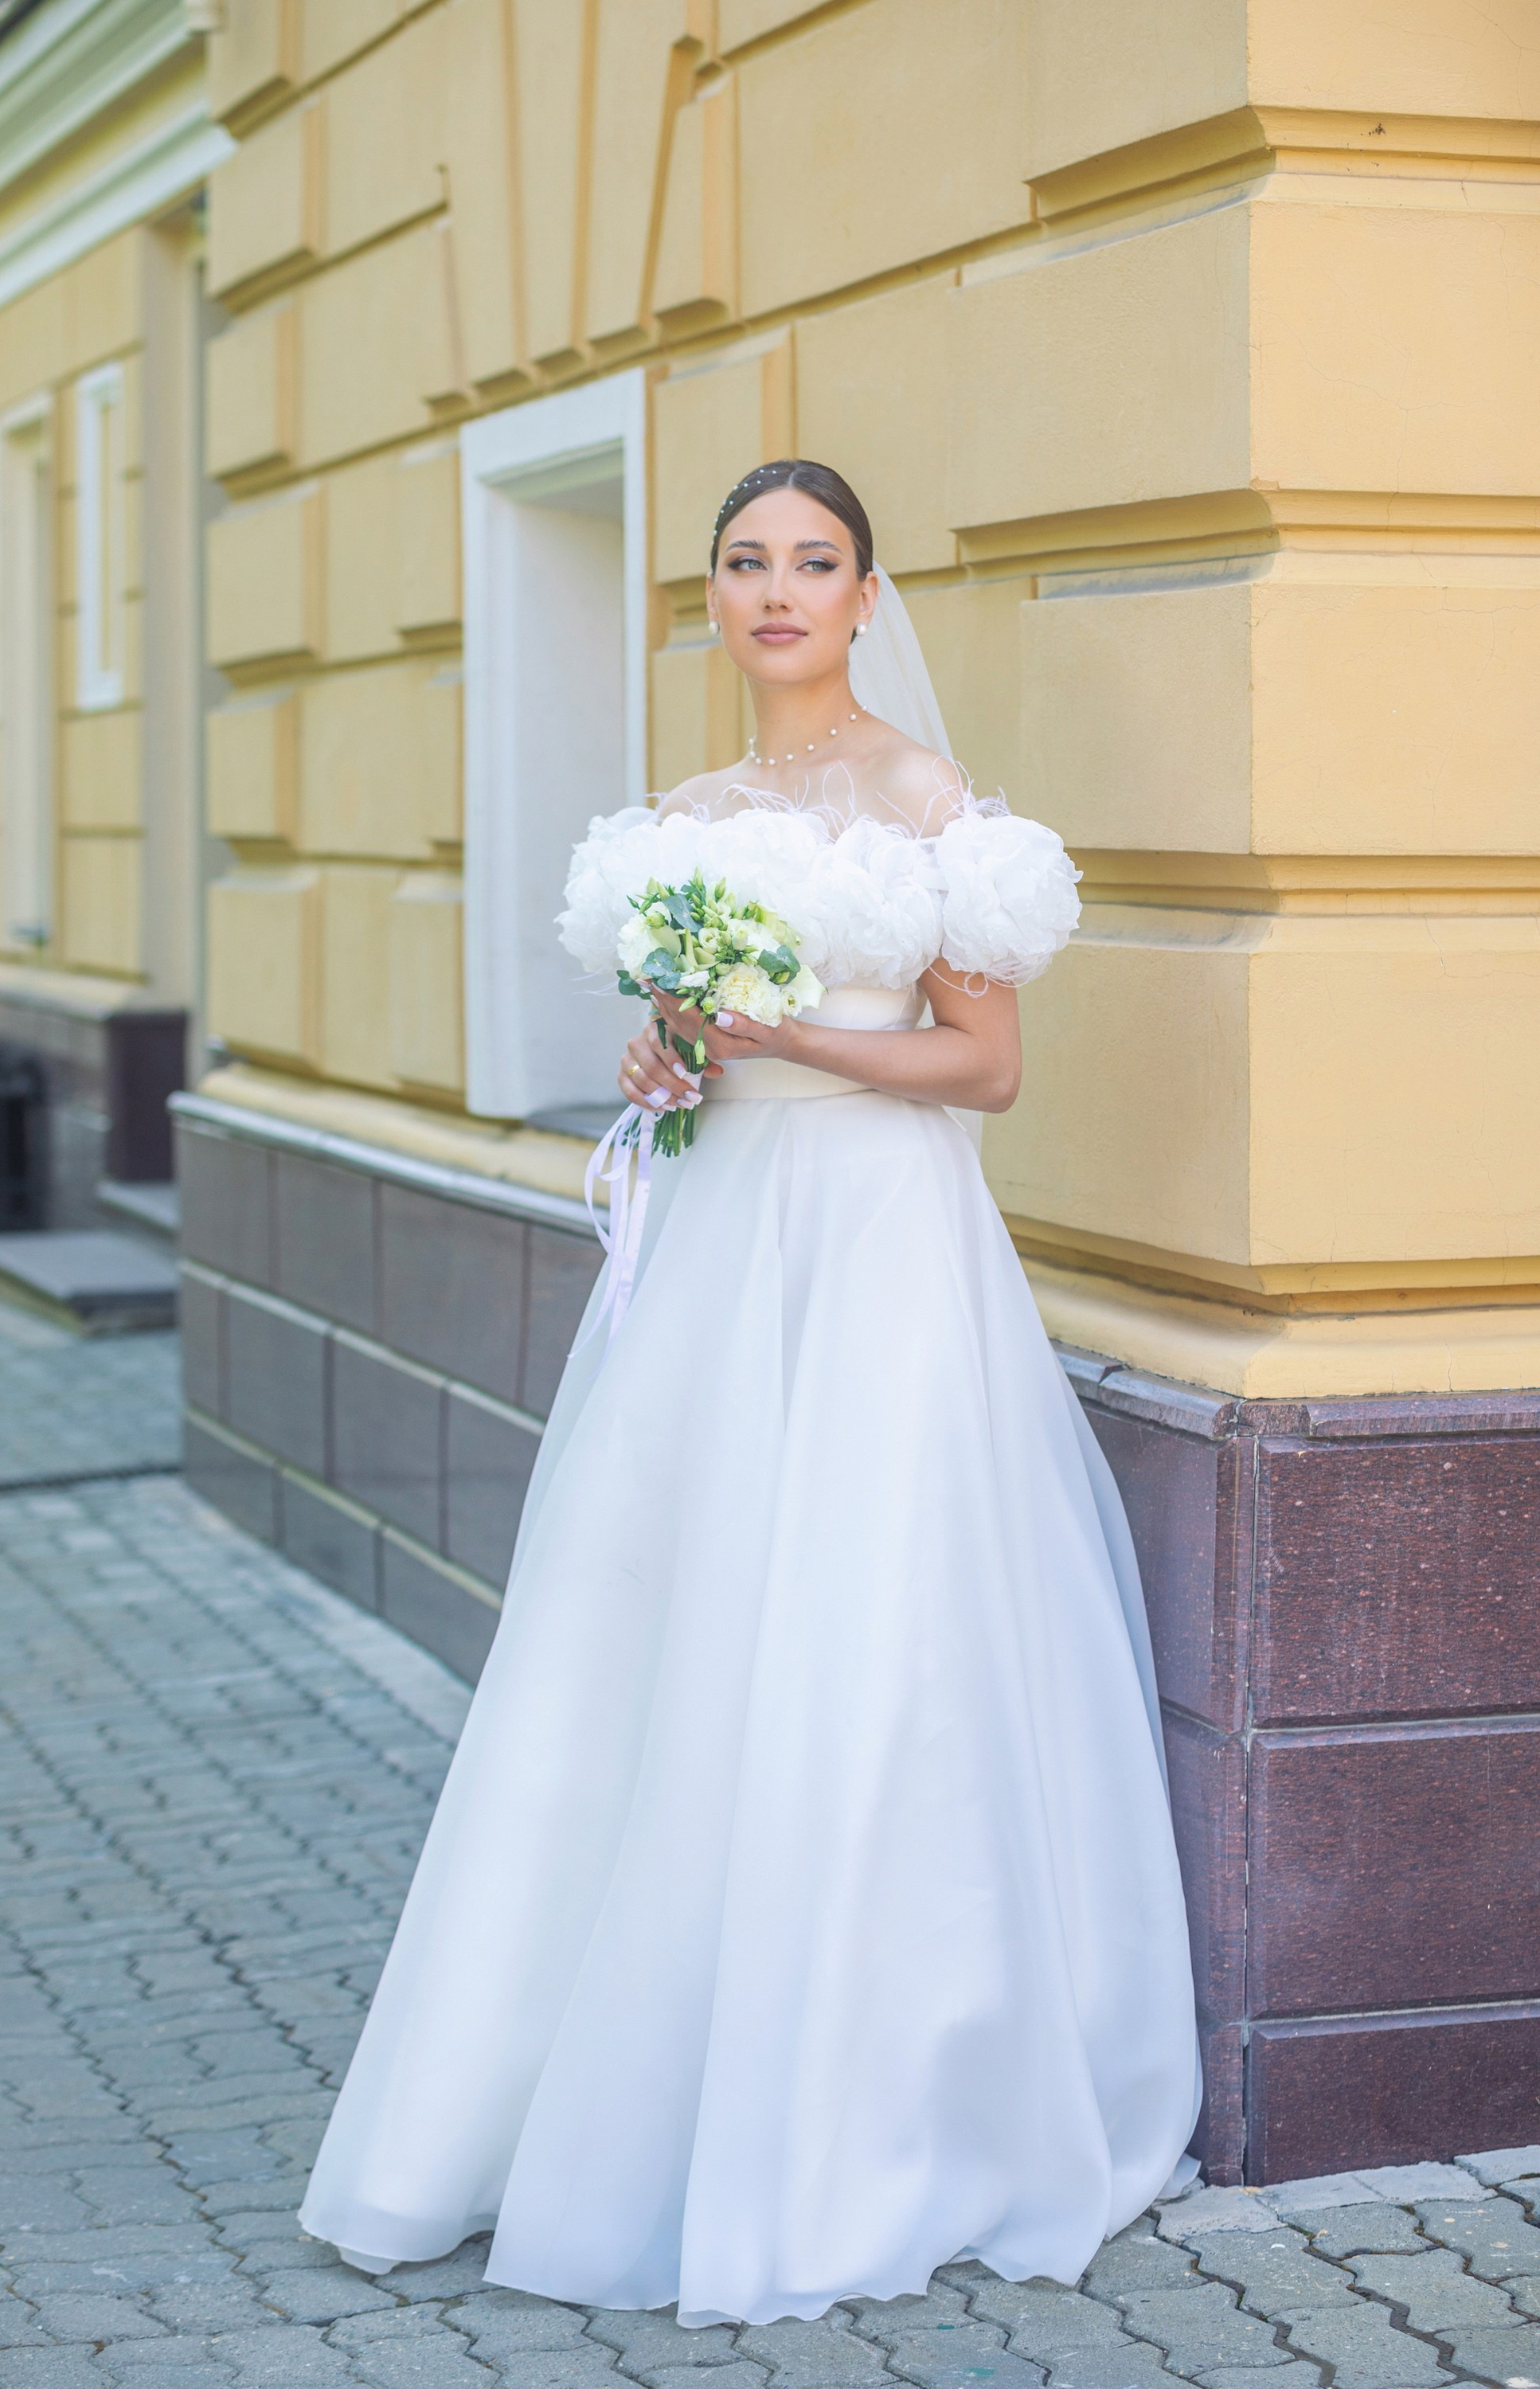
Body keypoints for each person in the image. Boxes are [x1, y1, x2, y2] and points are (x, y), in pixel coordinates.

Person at [298, 458, 1200, 2326]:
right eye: (743, 562)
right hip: (722, 1248)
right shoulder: (685, 820)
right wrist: (670, 1051)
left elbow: (984, 1069)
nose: (777, 588)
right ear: (708, 598)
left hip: (885, 1254)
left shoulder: (931, 804)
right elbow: (684, 1058)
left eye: (813, 561)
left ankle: (881, 2104)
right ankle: (619, 2083)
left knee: (872, 1626)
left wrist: (783, 1031)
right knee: (667, 1626)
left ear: (867, 596)